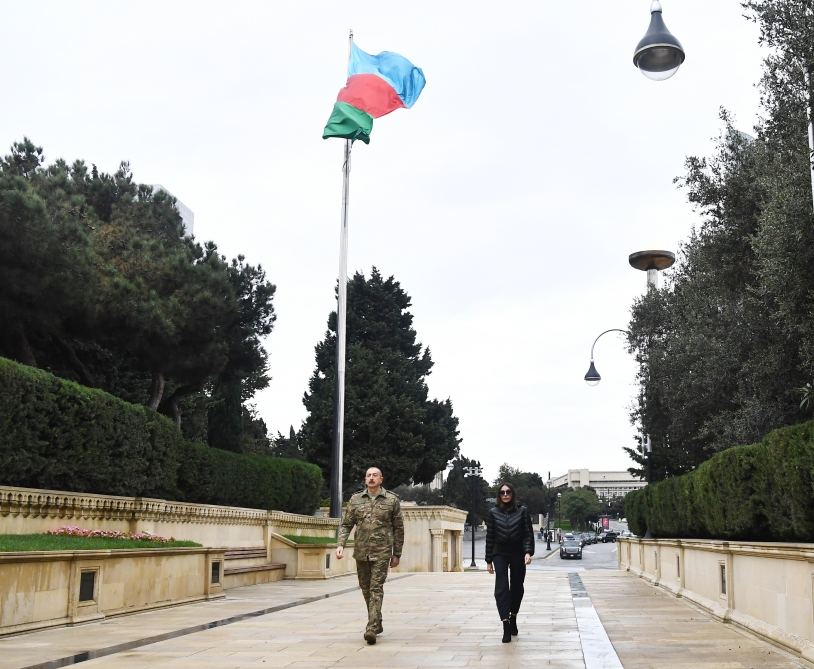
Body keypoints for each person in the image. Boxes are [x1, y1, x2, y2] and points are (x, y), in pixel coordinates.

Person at [336, 466, 404, 645]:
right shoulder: (356, 499)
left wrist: (397, 553)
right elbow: (346, 525)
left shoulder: (391, 500)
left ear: (381, 479)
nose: (371, 478)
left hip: (382, 552)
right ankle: (378, 621)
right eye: (368, 475)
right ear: (365, 479)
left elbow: (398, 528)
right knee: (365, 588)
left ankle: (372, 627)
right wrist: (340, 544)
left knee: (375, 588)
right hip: (361, 552)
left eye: (375, 475)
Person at [484, 481, 534, 643]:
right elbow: (490, 536)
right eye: (502, 493)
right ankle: (505, 623)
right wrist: (488, 560)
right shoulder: (493, 512)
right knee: (501, 587)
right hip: (500, 553)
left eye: (508, 492)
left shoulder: (522, 511)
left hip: (518, 552)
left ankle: (513, 616)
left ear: (512, 494)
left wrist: (527, 552)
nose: (505, 495)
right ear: (499, 495)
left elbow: (527, 533)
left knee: (517, 587)